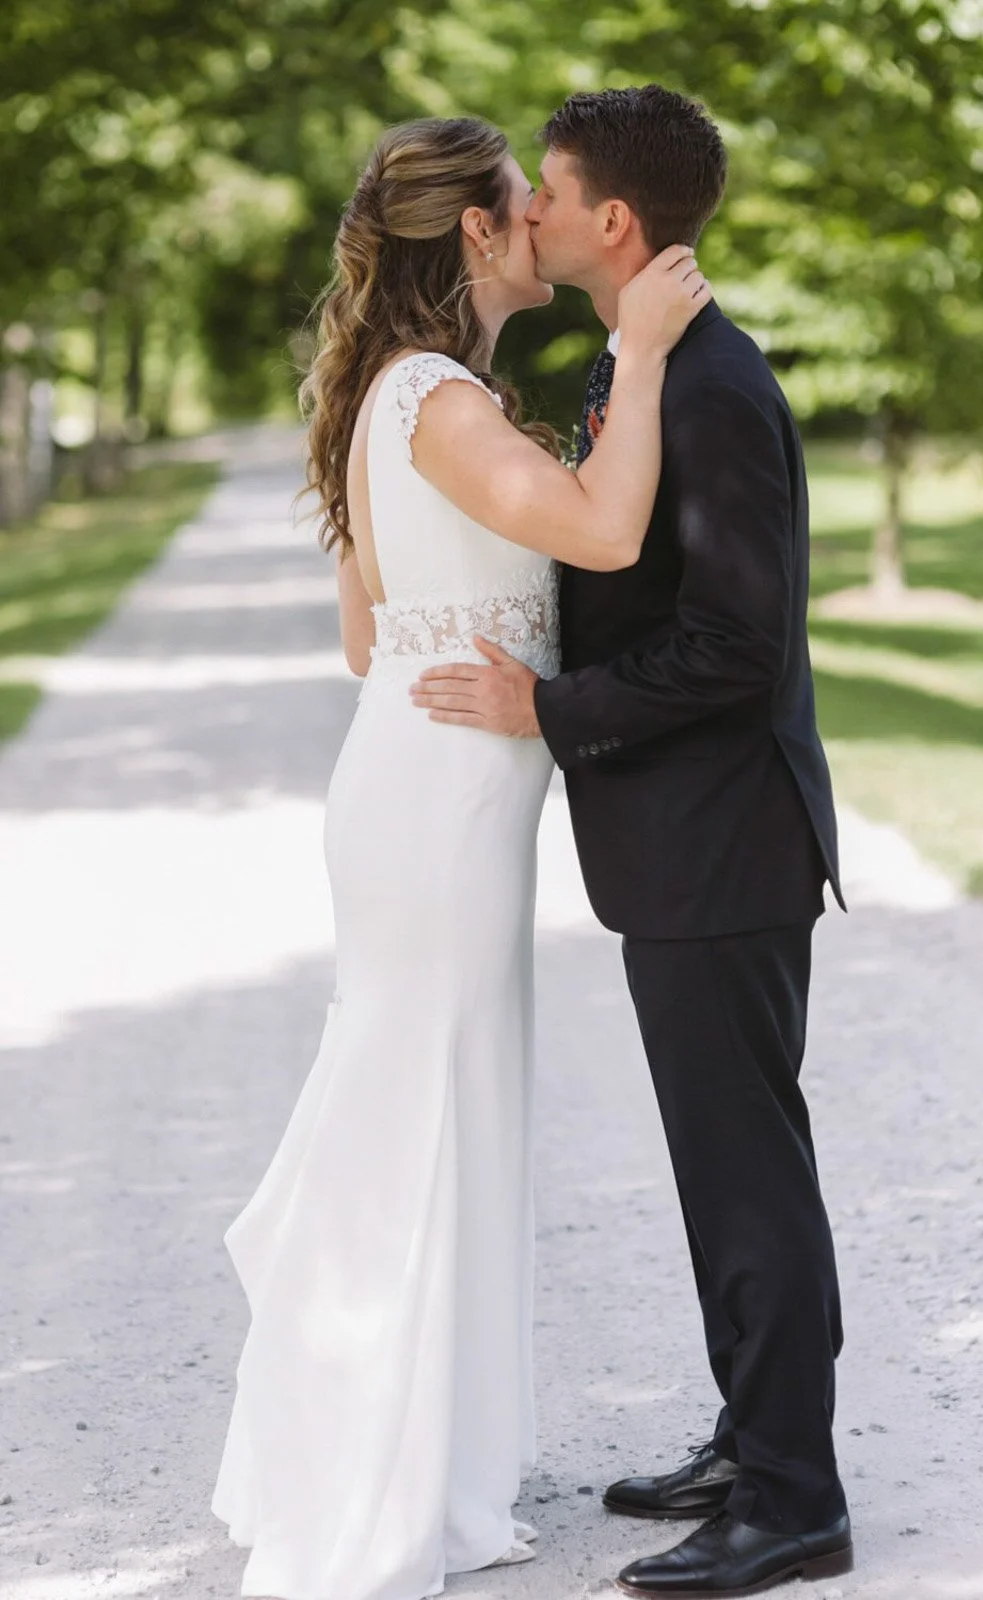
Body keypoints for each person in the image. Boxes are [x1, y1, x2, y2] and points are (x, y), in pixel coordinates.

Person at [209, 114, 709, 1600]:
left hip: (423, 787)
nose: (546, 218)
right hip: (439, 808)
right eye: (522, 201)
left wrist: (469, 627)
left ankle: (421, 1453)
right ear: (476, 238)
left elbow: (371, 635)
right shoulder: (434, 399)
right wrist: (652, 350)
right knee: (415, 1114)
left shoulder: (404, 394)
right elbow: (608, 535)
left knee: (440, 1106)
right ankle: (373, 1478)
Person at [411, 86, 854, 1597]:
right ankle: (755, 1437)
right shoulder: (643, 363)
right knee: (721, 1163)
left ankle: (795, 1499)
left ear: (611, 221)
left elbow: (735, 644)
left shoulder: (713, 386)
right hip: (683, 842)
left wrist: (548, 706)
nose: (524, 210)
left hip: (725, 839)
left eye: (545, 190)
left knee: (745, 1172)